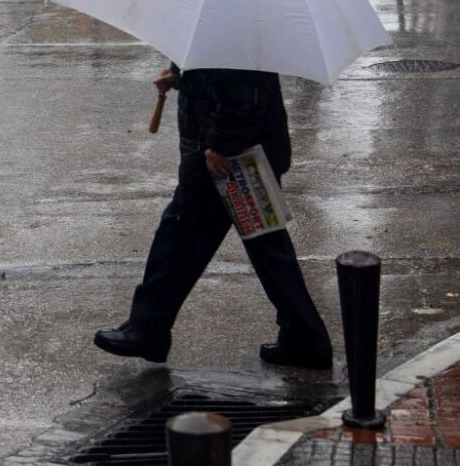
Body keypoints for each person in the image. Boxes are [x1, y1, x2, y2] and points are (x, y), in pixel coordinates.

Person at [93, 63, 333, 369]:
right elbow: (218, 78)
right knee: (267, 249)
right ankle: (305, 339)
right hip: (238, 157)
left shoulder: (233, 34)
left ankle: (147, 329)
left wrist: (221, 145)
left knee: (178, 239)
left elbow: (245, 92)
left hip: (229, 161)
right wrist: (180, 77)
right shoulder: (225, 30)